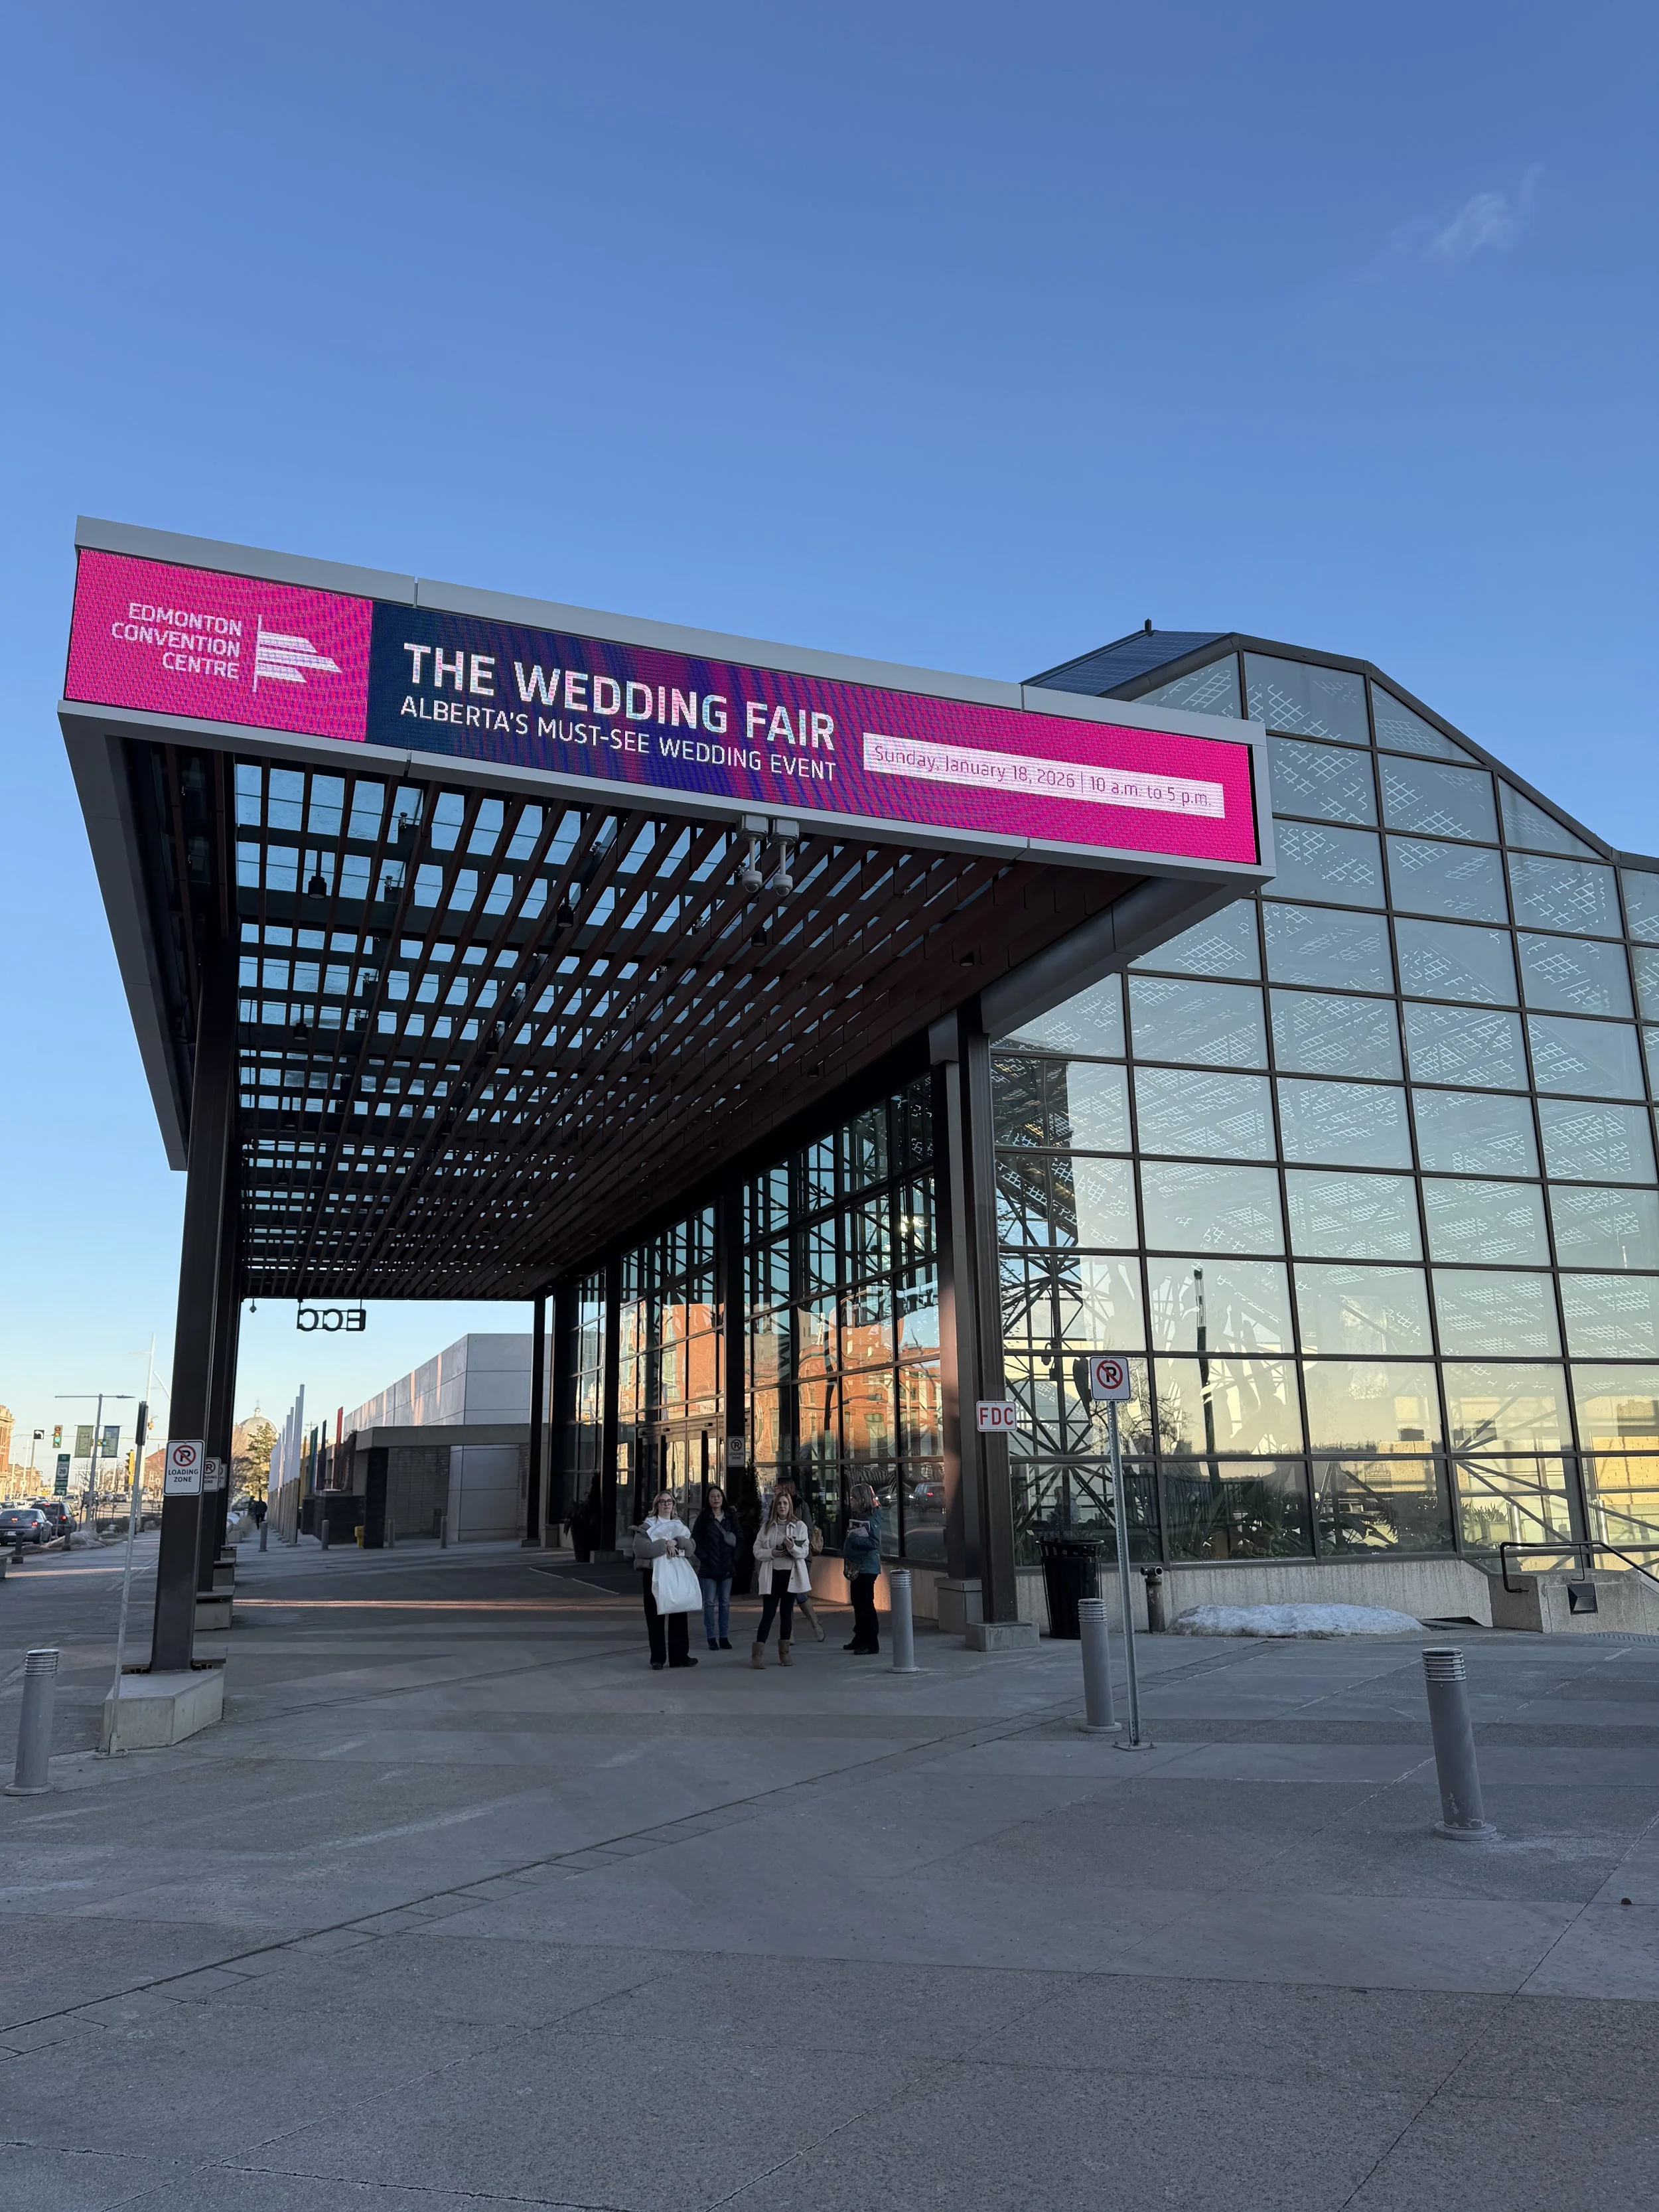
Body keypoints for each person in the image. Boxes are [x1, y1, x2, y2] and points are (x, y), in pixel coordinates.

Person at [632, 1489, 699, 1670]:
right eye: (662, 1501)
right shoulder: (647, 1526)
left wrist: (677, 1541)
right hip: (654, 1575)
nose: (666, 1504)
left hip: (676, 1574)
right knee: (654, 1616)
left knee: (679, 1614)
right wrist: (663, 1544)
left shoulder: (679, 1525)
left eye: (669, 1501)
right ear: (656, 1506)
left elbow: (691, 1546)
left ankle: (680, 1657)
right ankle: (658, 1658)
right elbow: (641, 1549)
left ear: (673, 1505)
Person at [751, 1487, 811, 1668]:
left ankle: (784, 1653)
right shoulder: (767, 1527)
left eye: (785, 1504)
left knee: (787, 1615)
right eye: (779, 1504)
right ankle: (757, 1654)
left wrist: (791, 1548)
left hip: (791, 1576)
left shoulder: (800, 1526)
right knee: (768, 1614)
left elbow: (804, 1551)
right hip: (772, 1575)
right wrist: (772, 1553)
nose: (782, 1507)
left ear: (790, 1506)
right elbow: (757, 1550)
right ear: (775, 1507)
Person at [692, 1483, 741, 1651]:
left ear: (723, 1498)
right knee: (709, 1603)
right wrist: (704, 1557)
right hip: (709, 1568)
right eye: (713, 1496)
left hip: (727, 1566)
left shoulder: (730, 1517)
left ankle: (724, 1637)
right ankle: (711, 1637)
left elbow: (740, 1538)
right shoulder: (703, 1518)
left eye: (719, 1496)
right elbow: (695, 1541)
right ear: (708, 1499)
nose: (716, 1499)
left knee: (725, 1603)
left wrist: (734, 1558)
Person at [842, 1481, 883, 1654]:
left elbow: (875, 1542)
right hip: (857, 1566)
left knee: (866, 1604)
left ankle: (871, 1642)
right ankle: (859, 1638)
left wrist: (853, 1538)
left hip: (867, 1567)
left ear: (861, 1499)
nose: (851, 1500)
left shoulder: (870, 1518)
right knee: (858, 1603)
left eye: (853, 1497)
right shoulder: (859, 1516)